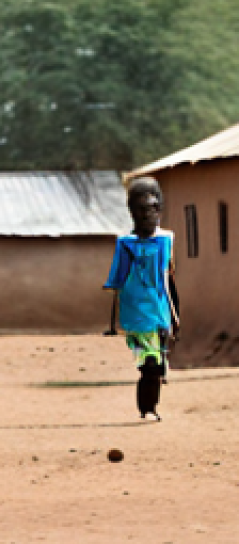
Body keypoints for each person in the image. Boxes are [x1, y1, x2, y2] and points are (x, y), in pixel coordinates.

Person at [104, 176, 180, 419]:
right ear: (132, 211)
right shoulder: (125, 243)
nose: (149, 214)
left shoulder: (166, 239)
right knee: (150, 363)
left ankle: (150, 403)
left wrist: (175, 313)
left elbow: (168, 277)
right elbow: (118, 279)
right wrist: (113, 321)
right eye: (142, 209)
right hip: (135, 311)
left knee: (157, 363)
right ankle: (147, 408)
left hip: (159, 310)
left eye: (154, 208)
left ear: (160, 209)